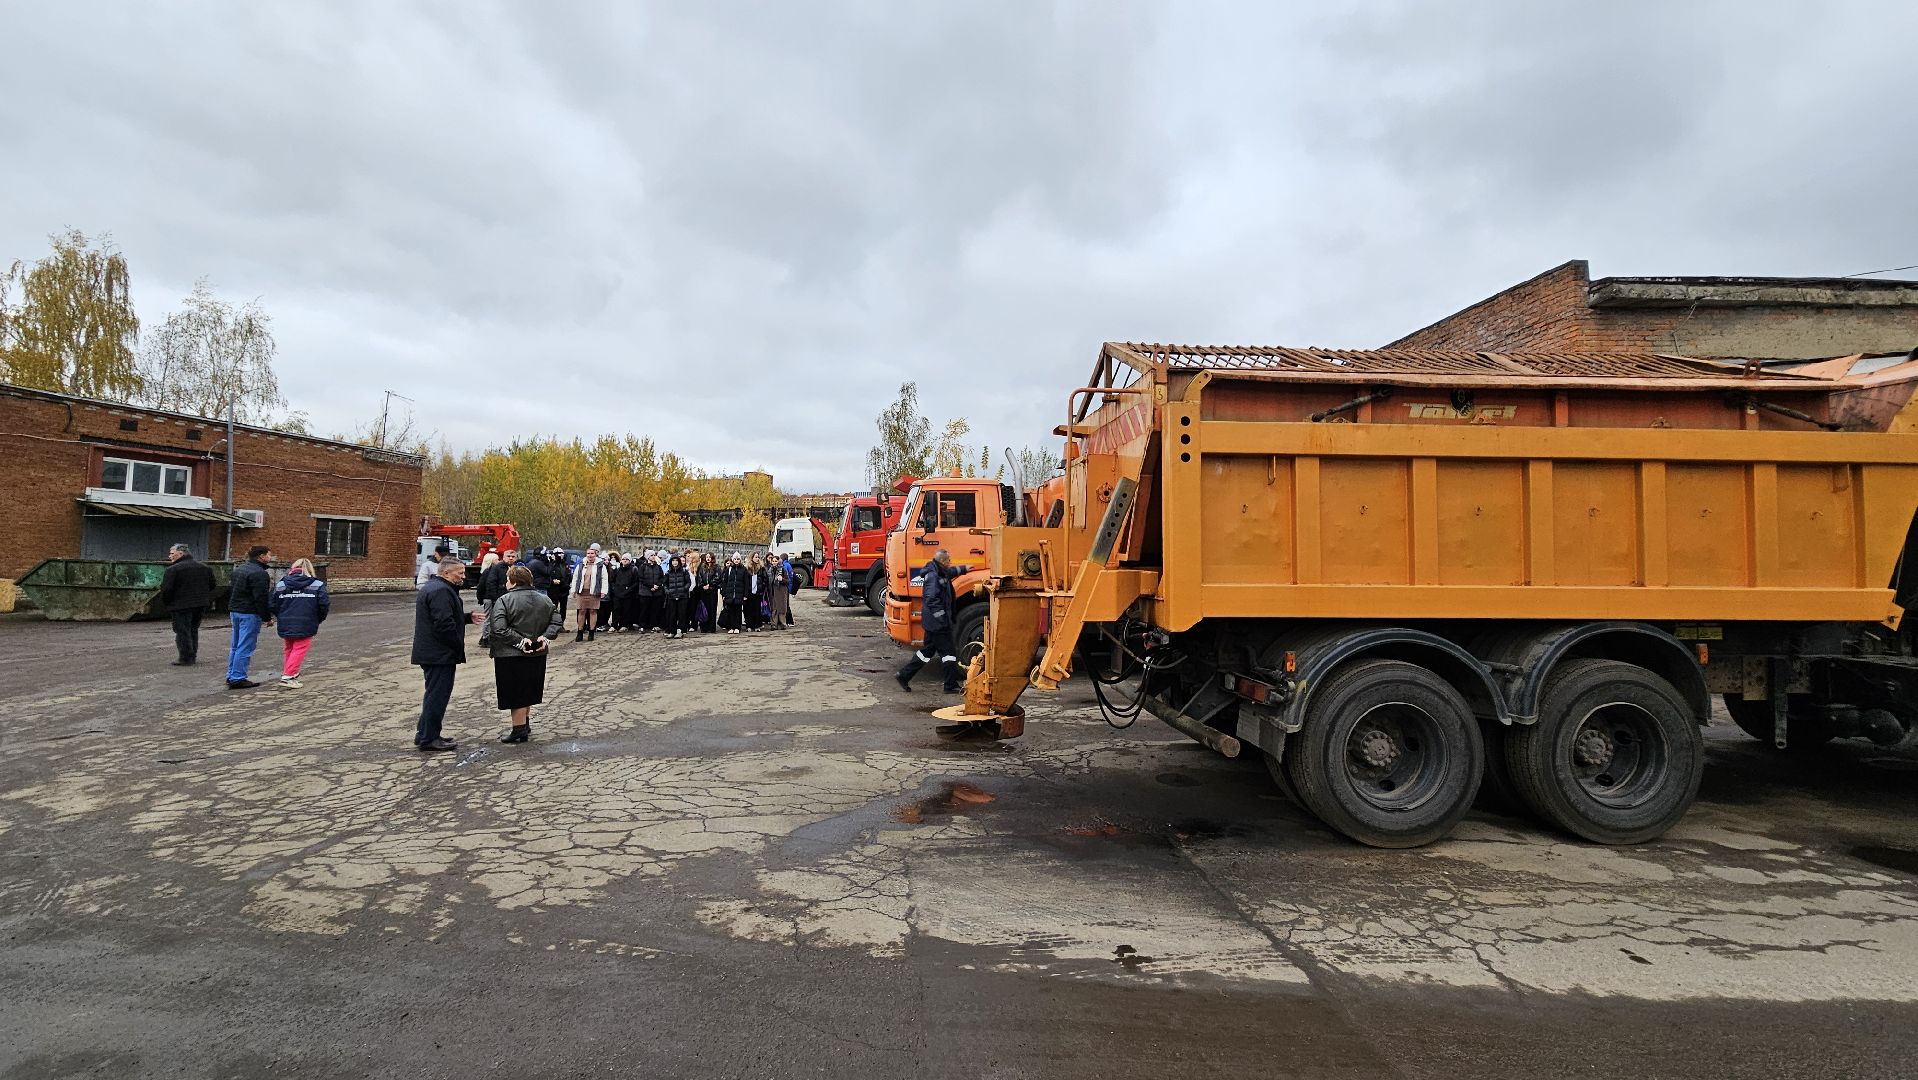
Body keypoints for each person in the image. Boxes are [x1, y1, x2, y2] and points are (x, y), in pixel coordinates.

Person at [485, 565, 563, 743]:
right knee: (528, 689)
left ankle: (519, 729)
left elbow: (499, 628)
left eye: (507, 579)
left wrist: (520, 641)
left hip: (510, 654)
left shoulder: (504, 600)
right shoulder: (545, 599)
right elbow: (556, 620)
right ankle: (524, 724)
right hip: (538, 652)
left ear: (512, 581)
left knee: (516, 693)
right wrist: (545, 637)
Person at [412, 557, 481, 751]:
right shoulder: (440, 591)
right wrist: (456, 645)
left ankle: (425, 733)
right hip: (439, 653)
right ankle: (429, 738)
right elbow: (443, 623)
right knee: (437, 696)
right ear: (446, 573)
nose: (463, 576)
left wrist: (466, 617)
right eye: (460, 573)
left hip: (435, 652)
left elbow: (446, 616)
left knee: (434, 694)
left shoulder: (436, 588)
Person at [896, 548, 967, 693]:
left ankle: (904, 675)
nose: (950, 562)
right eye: (948, 560)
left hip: (932, 622)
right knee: (949, 654)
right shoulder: (934, 576)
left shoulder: (938, 571)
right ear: (942, 561)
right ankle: (950, 685)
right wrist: (942, 618)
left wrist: (964, 569)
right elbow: (931, 599)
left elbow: (949, 573)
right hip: (937, 624)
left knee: (927, 652)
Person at [268, 558, 331, 688]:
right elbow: (324, 604)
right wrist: (318, 618)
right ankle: (288, 675)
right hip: (306, 621)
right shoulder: (317, 584)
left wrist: (281, 615)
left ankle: (291, 673)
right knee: (300, 648)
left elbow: (272, 604)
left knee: (289, 648)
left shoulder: (281, 584)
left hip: (285, 621)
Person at [225, 544, 275, 689]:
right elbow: (260, 598)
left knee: (235, 645)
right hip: (249, 613)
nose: (270, 557)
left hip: (235, 610)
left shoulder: (239, 570)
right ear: (261, 556)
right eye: (269, 554)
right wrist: (267, 617)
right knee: (245, 646)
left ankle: (231, 674)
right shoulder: (260, 574)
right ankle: (238, 677)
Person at [159, 543, 215, 666]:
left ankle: (185, 658)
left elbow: (166, 590)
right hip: (200, 604)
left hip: (180, 605)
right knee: (193, 629)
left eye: (172, 553)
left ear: (180, 554)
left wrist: (167, 603)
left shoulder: (173, 570)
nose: (169, 556)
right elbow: (212, 585)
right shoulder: (205, 568)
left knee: (182, 631)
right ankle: (192, 655)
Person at [570, 544, 609, 642]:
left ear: (595, 554)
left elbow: (604, 579)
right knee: (581, 611)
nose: (590, 555)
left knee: (593, 611)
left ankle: (591, 631)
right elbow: (575, 578)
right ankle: (580, 632)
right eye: (588, 553)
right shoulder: (581, 564)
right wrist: (573, 590)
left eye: (592, 553)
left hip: (594, 591)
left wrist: (603, 591)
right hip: (582, 591)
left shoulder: (600, 565)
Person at [609, 554, 641, 632]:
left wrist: (629, 590)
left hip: (628, 594)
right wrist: (615, 589)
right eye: (623, 559)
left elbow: (636, 582)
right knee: (616, 610)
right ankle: (614, 625)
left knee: (626, 610)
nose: (625, 560)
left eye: (627, 559)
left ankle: (624, 625)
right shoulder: (618, 569)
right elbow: (613, 581)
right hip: (618, 593)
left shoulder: (633, 569)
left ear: (630, 560)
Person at [635, 549, 665, 632]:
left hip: (656, 592)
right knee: (644, 609)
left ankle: (653, 625)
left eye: (654, 555)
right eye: (651, 555)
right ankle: (642, 625)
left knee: (655, 609)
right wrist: (651, 585)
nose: (653, 557)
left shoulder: (658, 567)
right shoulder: (643, 566)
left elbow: (662, 577)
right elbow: (641, 578)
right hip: (645, 592)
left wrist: (657, 585)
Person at [663, 555, 692, 638]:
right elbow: (665, 584)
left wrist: (683, 590)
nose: (675, 562)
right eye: (673, 561)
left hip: (682, 596)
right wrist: (668, 592)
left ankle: (680, 630)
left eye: (676, 560)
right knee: (672, 615)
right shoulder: (668, 572)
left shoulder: (684, 571)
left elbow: (688, 583)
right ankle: (672, 631)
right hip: (671, 596)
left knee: (681, 614)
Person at [719, 554, 748, 634]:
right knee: (730, 611)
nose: (736, 560)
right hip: (730, 594)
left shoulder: (743, 570)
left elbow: (746, 583)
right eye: (735, 559)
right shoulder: (729, 569)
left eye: (738, 559)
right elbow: (725, 582)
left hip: (739, 594)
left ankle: (737, 627)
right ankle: (731, 627)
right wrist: (724, 594)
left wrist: (745, 595)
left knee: (738, 611)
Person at [595, 550, 620, 632]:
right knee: (600, 610)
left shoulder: (611, 569)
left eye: (608, 560)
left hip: (609, 592)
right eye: (605, 559)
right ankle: (600, 624)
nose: (606, 561)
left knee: (607, 610)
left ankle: (605, 623)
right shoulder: (598, 569)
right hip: (600, 593)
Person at [694, 552, 720, 633]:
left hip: (712, 591)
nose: (708, 558)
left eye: (709, 557)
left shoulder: (716, 567)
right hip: (703, 591)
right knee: (704, 609)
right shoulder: (702, 567)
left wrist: (710, 585)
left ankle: (711, 627)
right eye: (707, 557)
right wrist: (702, 586)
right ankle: (704, 627)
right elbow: (699, 577)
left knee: (712, 609)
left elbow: (718, 577)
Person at [766, 556, 791, 631]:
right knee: (774, 608)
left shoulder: (783, 569)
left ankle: (783, 623)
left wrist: (782, 579)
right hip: (773, 591)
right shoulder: (770, 570)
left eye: (775, 561)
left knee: (782, 608)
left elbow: (787, 581)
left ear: (778, 562)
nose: (774, 563)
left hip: (781, 591)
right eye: (773, 561)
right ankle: (774, 624)